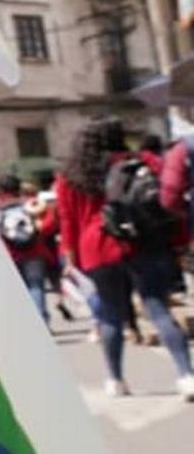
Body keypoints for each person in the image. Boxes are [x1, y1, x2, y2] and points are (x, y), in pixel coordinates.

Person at [57, 118, 194, 399]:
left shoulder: (71, 176)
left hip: (97, 249)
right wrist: (178, 242)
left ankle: (116, 379)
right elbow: (167, 200)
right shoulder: (144, 161)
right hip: (143, 243)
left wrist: (70, 258)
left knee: (111, 316)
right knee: (158, 308)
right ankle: (186, 374)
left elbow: (68, 221)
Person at [0, 174, 52, 323]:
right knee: (36, 287)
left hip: (8, 255)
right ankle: (42, 322)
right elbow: (49, 223)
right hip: (34, 252)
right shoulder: (30, 204)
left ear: (0, 190)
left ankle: (26, 324)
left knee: (17, 292)